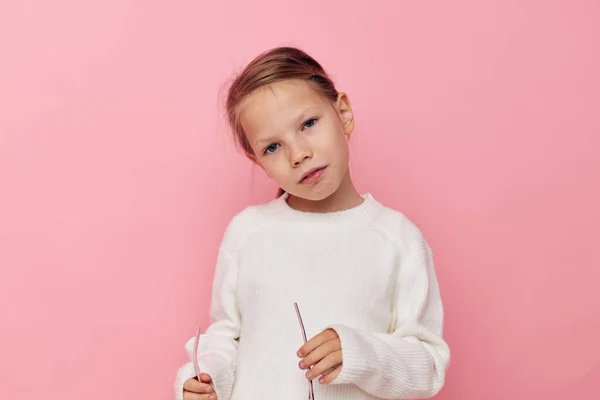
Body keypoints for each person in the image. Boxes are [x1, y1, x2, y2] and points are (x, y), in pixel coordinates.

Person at [174, 46, 450, 400]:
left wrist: (359, 353)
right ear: (255, 159)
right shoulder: (248, 233)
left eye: (308, 124)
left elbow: (427, 366)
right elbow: (224, 338)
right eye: (272, 147)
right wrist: (204, 379)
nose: (298, 153)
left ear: (344, 113)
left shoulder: (397, 239)